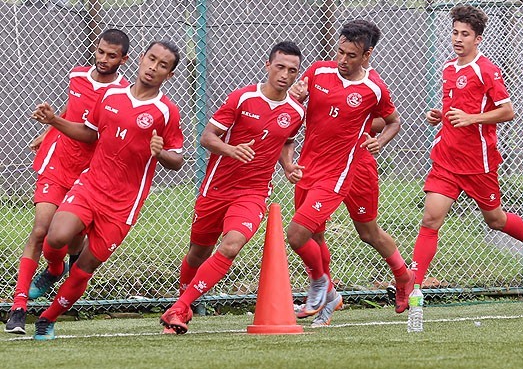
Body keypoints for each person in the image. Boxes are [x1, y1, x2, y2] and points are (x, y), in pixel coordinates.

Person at [29, 41, 185, 340]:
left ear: (170, 75)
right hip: (90, 186)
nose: (154, 67)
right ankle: (52, 268)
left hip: (123, 205)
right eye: (151, 59)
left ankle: (48, 319)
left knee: (84, 268)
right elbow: (90, 133)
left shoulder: (166, 112)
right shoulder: (111, 94)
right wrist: (54, 121)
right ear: (140, 59)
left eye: (163, 65)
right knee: (56, 236)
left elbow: (177, 160)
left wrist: (160, 153)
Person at [159, 42, 305, 334]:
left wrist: (288, 165)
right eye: (280, 67)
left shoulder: (295, 111)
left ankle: (178, 308)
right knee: (197, 254)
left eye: (292, 71)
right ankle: (183, 305)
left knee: (231, 245)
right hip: (215, 189)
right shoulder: (242, 98)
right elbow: (207, 137)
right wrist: (230, 149)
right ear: (268, 65)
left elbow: (285, 139)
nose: (285, 75)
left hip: (253, 193)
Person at [409, 5, 523, 309]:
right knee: (430, 219)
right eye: (454, 32)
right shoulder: (448, 68)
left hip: (478, 162)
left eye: (464, 34)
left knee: (495, 219)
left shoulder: (487, 69)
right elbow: (456, 110)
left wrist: (472, 118)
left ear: (477, 38)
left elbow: (508, 111)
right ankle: (412, 288)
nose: (457, 38)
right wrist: (439, 116)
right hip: (446, 159)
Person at [3, 30, 129, 334]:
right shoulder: (77, 75)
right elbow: (73, 113)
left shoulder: (122, 93)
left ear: (124, 59)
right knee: (41, 229)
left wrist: (53, 124)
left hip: (90, 174)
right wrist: (48, 133)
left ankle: (56, 269)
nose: (103, 59)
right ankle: (18, 308)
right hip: (58, 163)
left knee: (71, 238)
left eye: (111, 55)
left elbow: (93, 133)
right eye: (100, 52)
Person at [290, 20, 412, 319]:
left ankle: (403, 276)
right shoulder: (318, 71)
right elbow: (292, 104)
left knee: (367, 232)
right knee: (312, 234)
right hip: (310, 167)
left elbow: (393, 120)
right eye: (340, 52)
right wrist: (295, 96)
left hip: (353, 169)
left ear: (367, 55)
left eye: (351, 55)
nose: (343, 60)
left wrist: (379, 140)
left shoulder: (374, 88)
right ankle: (326, 296)